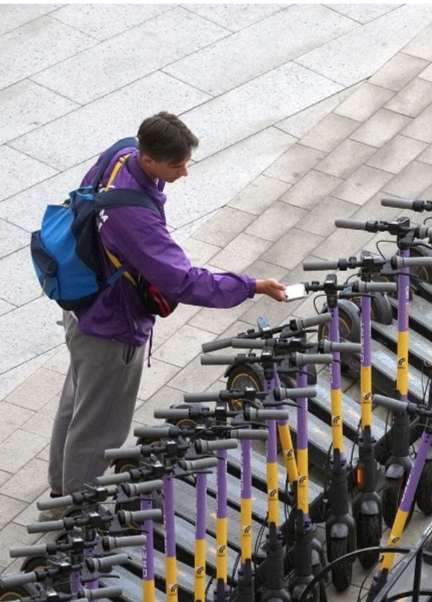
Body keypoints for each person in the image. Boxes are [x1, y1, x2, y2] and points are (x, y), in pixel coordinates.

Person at [44, 112, 286, 513]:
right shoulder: (133, 218)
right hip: (110, 326)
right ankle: (76, 516)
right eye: (177, 165)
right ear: (148, 159)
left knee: (77, 403)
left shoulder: (120, 151)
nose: (185, 172)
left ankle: (60, 489)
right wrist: (250, 286)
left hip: (83, 306)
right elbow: (184, 281)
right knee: (100, 426)